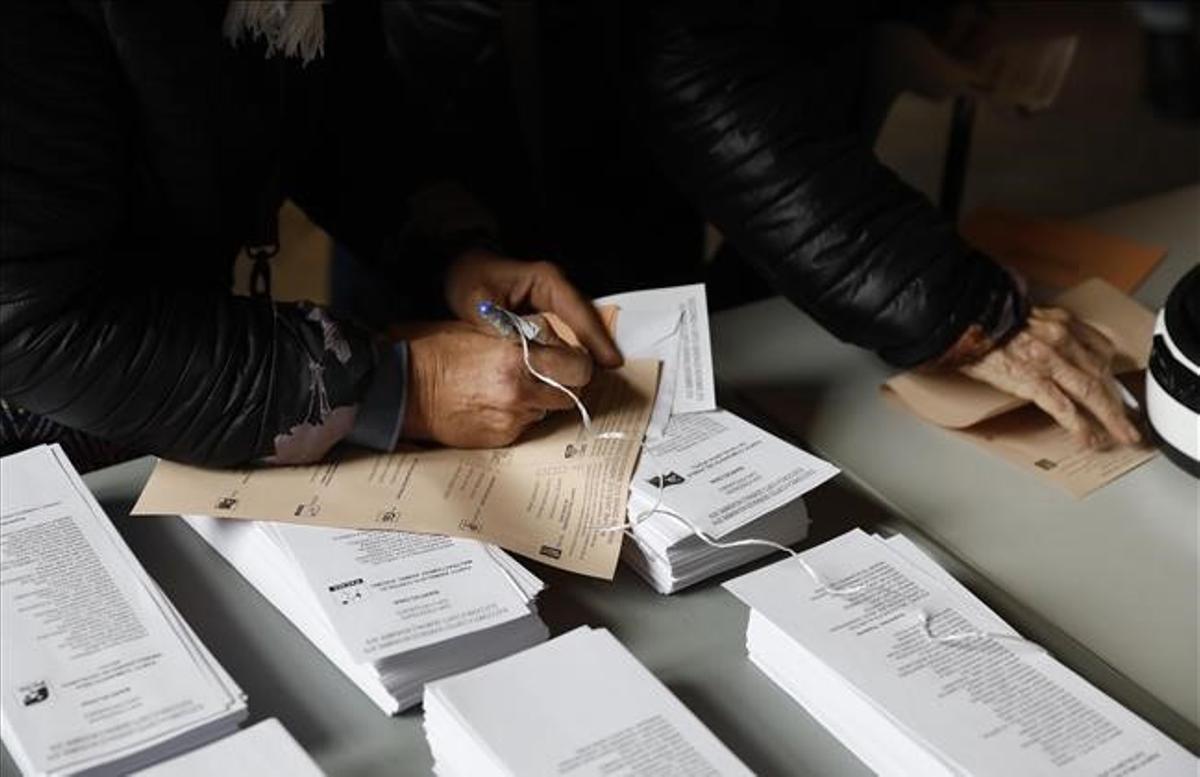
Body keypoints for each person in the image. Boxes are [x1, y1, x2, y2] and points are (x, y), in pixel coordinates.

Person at [0, 1, 620, 470]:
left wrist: (448, 249)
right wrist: (401, 385)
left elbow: (338, 109)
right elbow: (29, 327)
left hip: (167, 380)